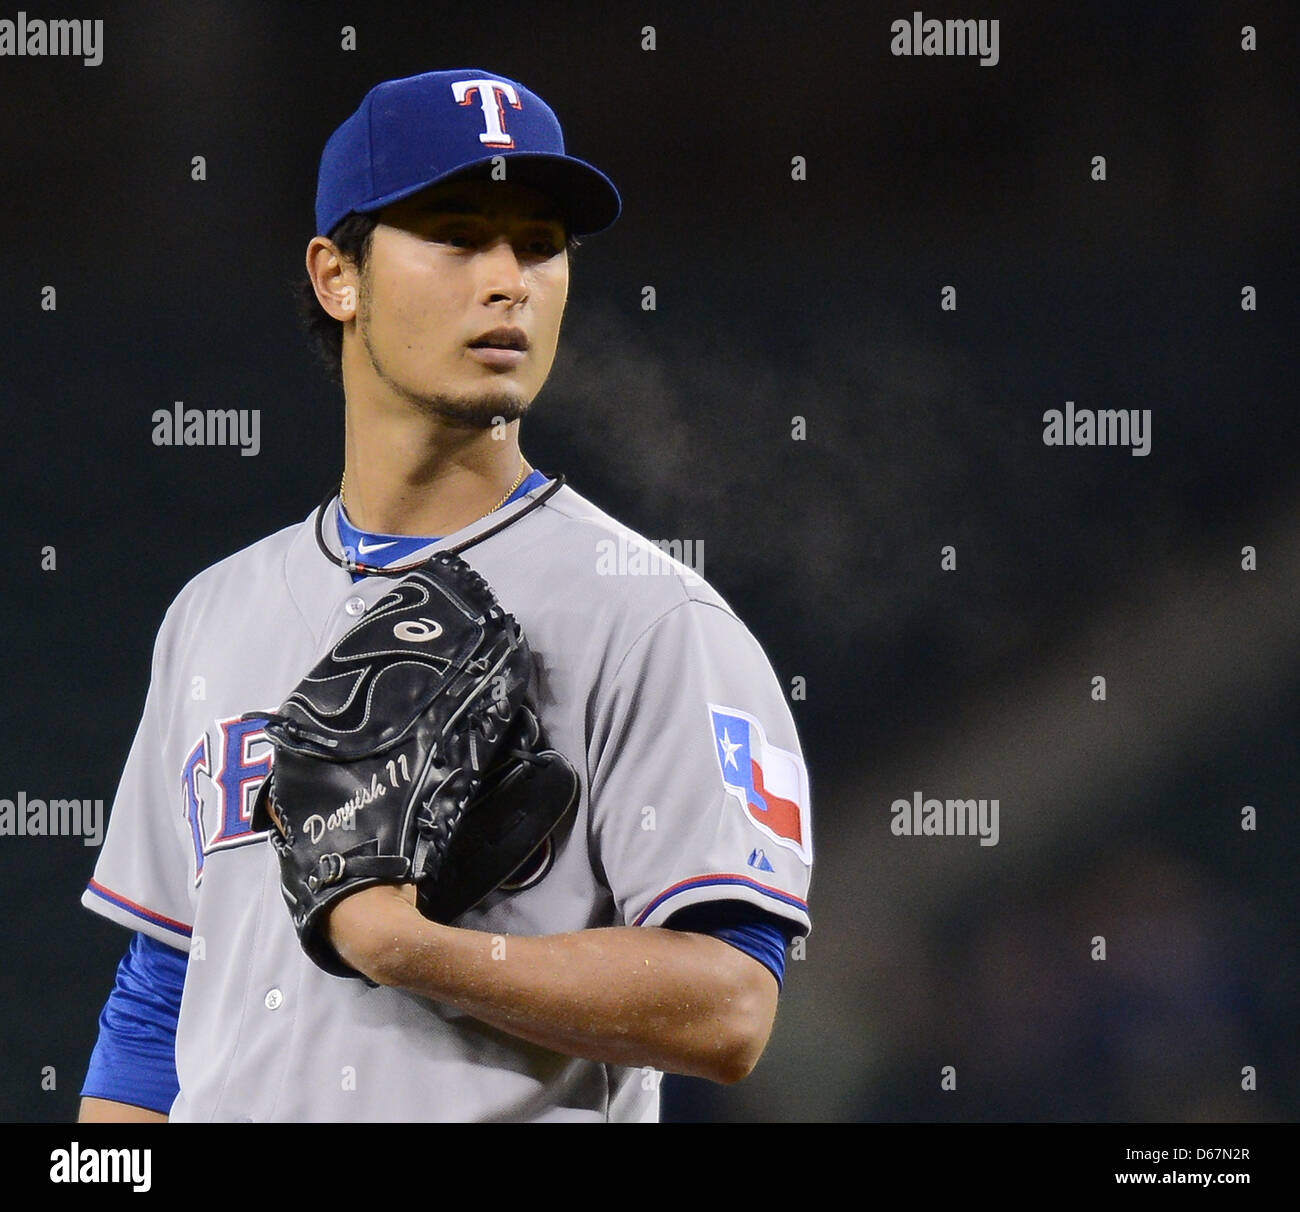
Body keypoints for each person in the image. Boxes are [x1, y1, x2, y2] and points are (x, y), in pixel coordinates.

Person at [78, 68, 812, 1123]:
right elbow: (157, 1000)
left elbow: (731, 1007)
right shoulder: (213, 613)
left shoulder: (651, 618)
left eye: (540, 245)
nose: (508, 279)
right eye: (460, 236)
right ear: (338, 276)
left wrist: (408, 948)